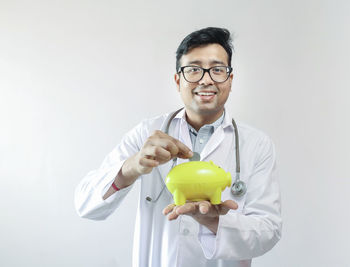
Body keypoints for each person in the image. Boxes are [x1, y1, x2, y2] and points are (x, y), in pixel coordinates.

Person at [75, 27, 282, 267]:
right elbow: (86, 205)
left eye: (217, 70)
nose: (206, 79)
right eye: (193, 69)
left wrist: (213, 221)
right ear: (178, 80)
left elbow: (269, 231)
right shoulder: (147, 134)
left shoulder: (256, 145)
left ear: (230, 79)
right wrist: (132, 166)